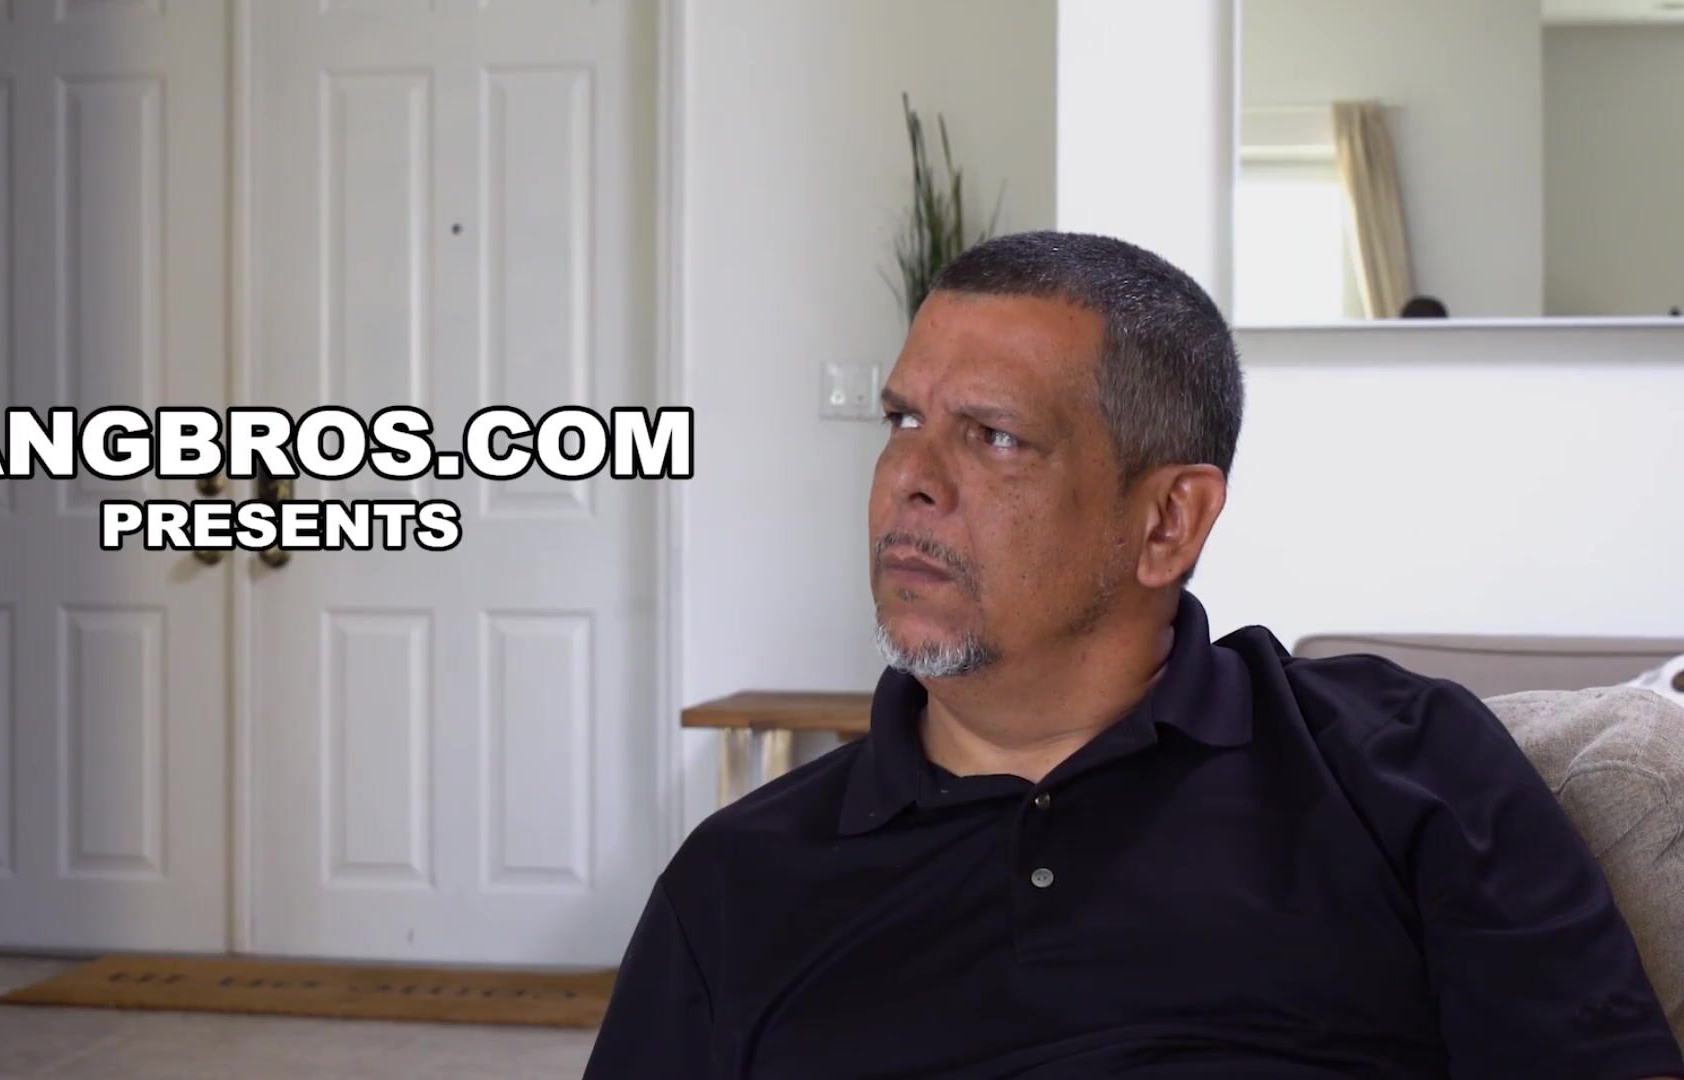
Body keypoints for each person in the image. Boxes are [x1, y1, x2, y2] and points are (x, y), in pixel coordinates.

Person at [583, 231, 1684, 1078]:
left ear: (1169, 522)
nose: (909, 480)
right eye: (901, 420)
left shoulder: (1406, 770)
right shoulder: (740, 880)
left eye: (993, 436)